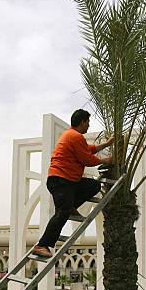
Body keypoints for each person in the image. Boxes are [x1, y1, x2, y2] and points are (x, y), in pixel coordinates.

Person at [32, 109, 113, 258]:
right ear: (82, 122)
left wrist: (106, 144)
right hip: (61, 181)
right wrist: (105, 161)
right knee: (61, 213)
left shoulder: (72, 136)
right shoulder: (75, 136)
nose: (88, 126)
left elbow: (88, 149)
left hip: (68, 181)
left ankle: (71, 206)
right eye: (88, 122)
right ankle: (42, 245)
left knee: (93, 186)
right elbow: (87, 159)